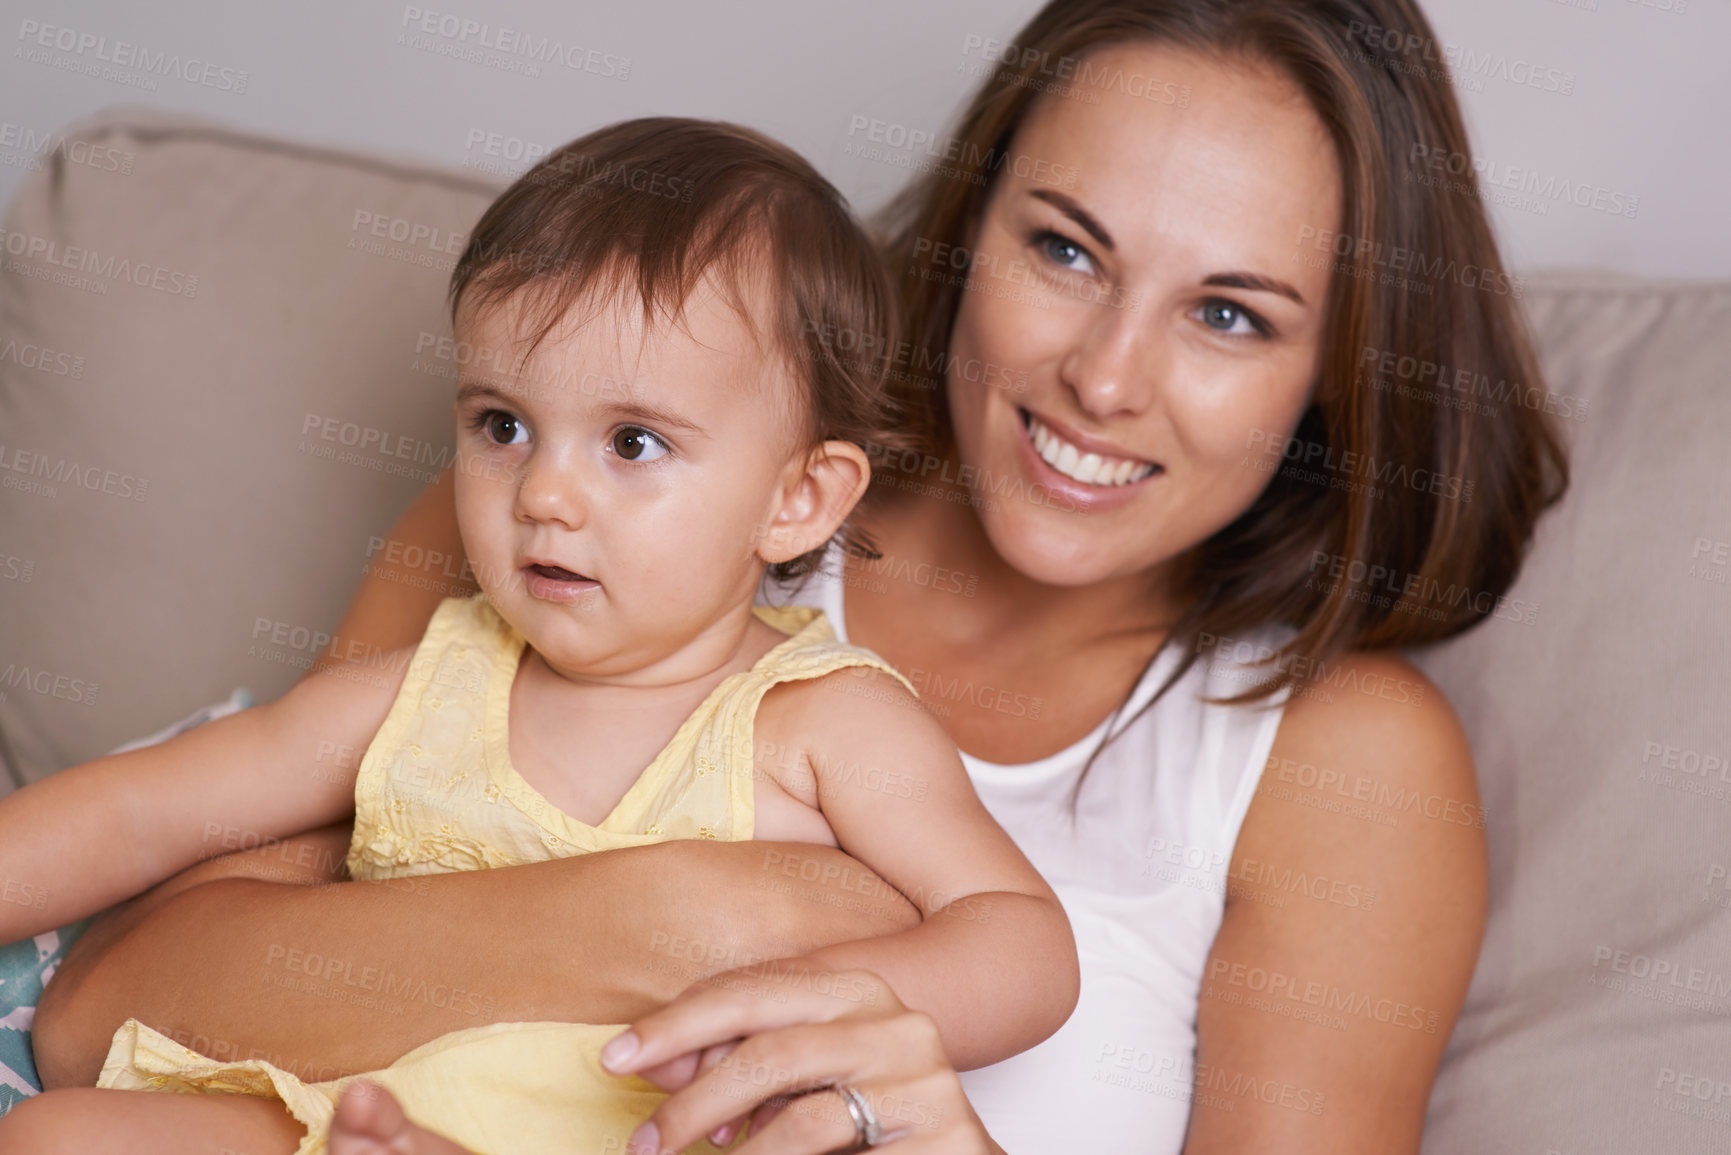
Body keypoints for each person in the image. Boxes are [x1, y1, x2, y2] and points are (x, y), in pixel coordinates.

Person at [22, 1, 1570, 1152]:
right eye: (1066, 251)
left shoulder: (1334, 760)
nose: (1105, 375)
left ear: (1337, 372)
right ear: (969, 238)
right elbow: (102, 1013)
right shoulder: (594, 516)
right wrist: (724, 914)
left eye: (1227, 315)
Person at [0, 118, 1079, 1154]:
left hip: (641, 1132)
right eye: (502, 425)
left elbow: (1020, 941)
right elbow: (146, 812)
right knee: (61, 1135)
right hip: (351, 1115)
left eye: (633, 442)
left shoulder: (823, 721)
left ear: (798, 499)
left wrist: (826, 1001)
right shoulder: (425, 688)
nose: (546, 493)